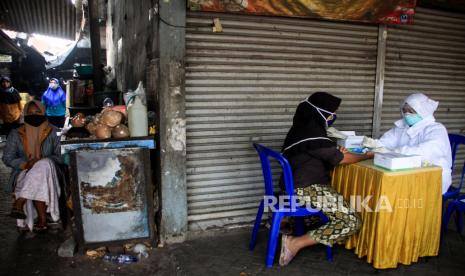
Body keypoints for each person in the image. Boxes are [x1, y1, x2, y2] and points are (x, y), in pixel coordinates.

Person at [278, 92, 374, 266]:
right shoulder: (312, 133)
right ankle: (295, 243)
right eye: (331, 113)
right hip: (306, 188)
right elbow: (341, 159)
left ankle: (287, 223)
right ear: (320, 112)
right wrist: (368, 155)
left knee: (333, 212)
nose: (333, 116)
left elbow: (327, 154)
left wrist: (335, 154)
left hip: (294, 184)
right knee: (351, 221)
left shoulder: (302, 127)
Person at [2, 100, 62, 232]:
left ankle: (20, 202)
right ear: (25, 114)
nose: (34, 115)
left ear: (43, 112)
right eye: (30, 113)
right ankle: (43, 219)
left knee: (44, 164)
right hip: (24, 170)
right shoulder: (16, 133)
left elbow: (60, 156)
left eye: (37, 112)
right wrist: (25, 163)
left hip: (50, 170)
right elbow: (7, 158)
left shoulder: (55, 132)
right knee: (39, 174)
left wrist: (40, 161)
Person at [375, 93, 452, 194]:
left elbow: (427, 151)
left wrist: (398, 151)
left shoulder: (436, 129)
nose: (407, 114)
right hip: (406, 171)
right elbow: (385, 142)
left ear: (423, 111)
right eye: (405, 111)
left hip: (432, 175)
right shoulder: (402, 127)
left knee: (398, 191)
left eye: (411, 111)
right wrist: (374, 145)